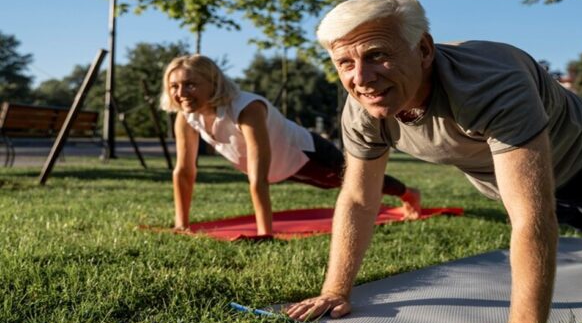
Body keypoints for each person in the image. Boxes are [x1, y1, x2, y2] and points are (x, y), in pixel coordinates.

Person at [284, 0, 582, 323]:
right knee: (573, 219)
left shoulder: (490, 84)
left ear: (424, 50)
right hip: (497, 175)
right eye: (345, 63)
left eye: (378, 55)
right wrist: (335, 290)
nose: (361, 78)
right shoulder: (363, 110)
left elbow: (529, 215)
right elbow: (358, 199)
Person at [159, 54, 421, 236]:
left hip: (307, 154)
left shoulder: (247, 108)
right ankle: (405, 192)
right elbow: (184, 171)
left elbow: (258, 173)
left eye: (190, 84)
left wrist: (265, 232)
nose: (181, 93)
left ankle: (408, 193)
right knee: (344, 182)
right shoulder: (187, 118)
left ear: (213, 83)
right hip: (281, 167)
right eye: (174, 86)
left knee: (353, 180)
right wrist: (182, 224)